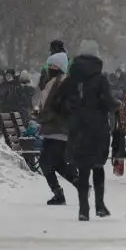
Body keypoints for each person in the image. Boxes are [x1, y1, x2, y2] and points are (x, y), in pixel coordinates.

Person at [52, 40, 119, 221]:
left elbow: (56, 103)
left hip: (77, 129)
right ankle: (100, 205)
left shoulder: (71, 79)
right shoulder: (100, 79)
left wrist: (70, 115)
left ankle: (83, 209)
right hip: (97, 129)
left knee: (82, 169)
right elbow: (108, 102)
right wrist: (115, 106)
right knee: (97, 166)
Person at [36, 52, 78, 206]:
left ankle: (59, 193)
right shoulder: (67, 82)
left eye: (51, 66)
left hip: (55, 128)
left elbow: (45, 103)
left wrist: (42, 115)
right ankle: (77, 184)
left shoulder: (55, 82)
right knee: (57, 162)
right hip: (63, 129)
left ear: (58, 67)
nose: (49, 68)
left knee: (45, 162)